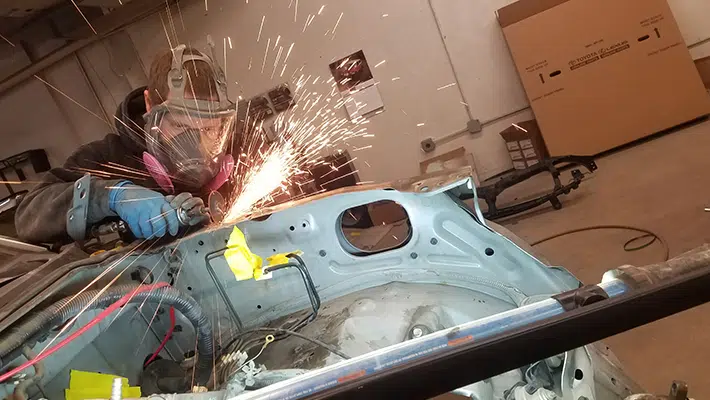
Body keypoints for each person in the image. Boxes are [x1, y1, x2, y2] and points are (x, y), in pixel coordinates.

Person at [15, 44, 242, 244]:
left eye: (209, 129)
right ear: (149, 105)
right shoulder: (107, 158)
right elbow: (27, 216)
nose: (198, 145)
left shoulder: (241, 149)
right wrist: (110, 196)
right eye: (181, 128)